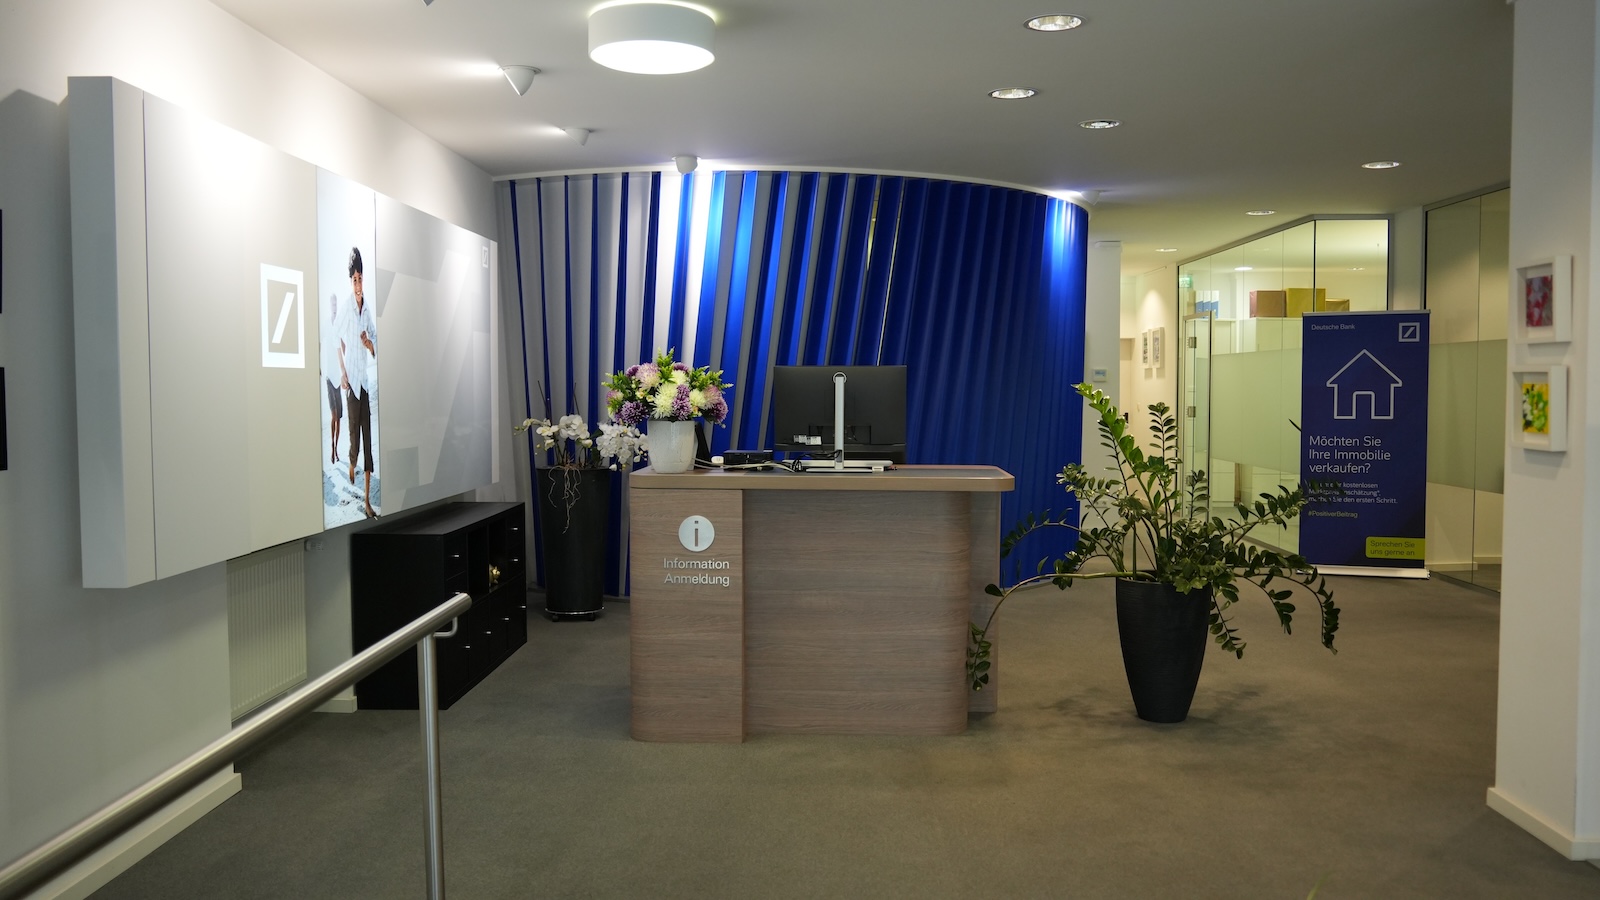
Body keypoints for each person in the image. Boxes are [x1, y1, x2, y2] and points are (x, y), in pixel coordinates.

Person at [339, 247, 378, 519]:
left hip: (364, 383)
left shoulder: (367, 311)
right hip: (352, 385)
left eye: (360, 278)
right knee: (354, 440)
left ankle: (366, 501)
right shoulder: (346, 308)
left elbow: (375, 342)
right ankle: (351, 462)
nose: (358, 284)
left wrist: (369, 344)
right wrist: (342, 373)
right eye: (354, 279)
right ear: (350, 280)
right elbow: (335, 339)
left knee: (368, 440)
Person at [323, 290, 344, 464]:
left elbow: (344, 347)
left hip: (339, 376)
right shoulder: (325, 324)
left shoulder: (339, 324)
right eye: (332, 303)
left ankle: (336, 448)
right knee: (334, 415)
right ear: (329, 305)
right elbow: (318, 342)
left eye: (336, 303)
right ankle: (332, 448)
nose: (334, 306)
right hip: (329, 376)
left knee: (339, 418)